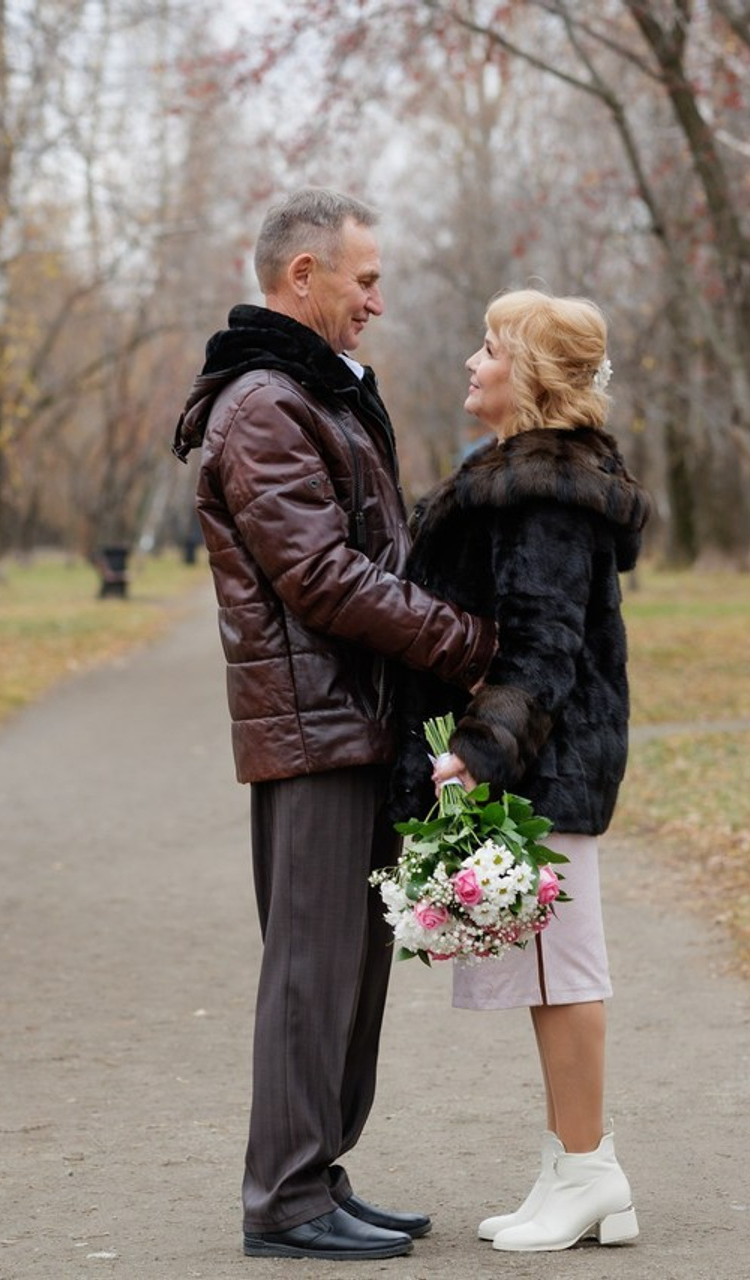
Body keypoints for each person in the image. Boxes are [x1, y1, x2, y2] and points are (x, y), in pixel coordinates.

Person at [172, 187, 496, 1262]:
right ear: (300, 275)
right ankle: (281, 1198)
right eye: (362, 278)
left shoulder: (322, 395)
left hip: (356, 718)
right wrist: (459, 641)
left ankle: (314, 1174)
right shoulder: (264, 404)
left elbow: (379, 547)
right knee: (310, 970)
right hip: (309, 730)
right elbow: (320, 574)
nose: (376, 298)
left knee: (348, 968)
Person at [389, 288, 651, 1252]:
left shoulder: (544, 494)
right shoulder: (516, 477)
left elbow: (544, 647)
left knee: (565, 969)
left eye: (491, 346)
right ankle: (575, 1168)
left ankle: (589, 1170)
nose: (473, 359)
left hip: (549, 761)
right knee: (550, 971)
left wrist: (477, 749)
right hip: (546, 758)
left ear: (529, 375)